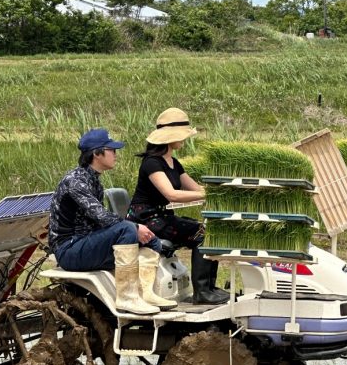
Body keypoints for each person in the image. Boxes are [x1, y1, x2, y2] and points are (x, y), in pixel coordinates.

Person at [48, 128, 174, 315]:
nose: (115, 154)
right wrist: (134, 227)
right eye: (111, 150)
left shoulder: (93, 180)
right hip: (69, 249)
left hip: (85, 242)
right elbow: (100, 216)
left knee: (151, 238)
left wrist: (139, 231)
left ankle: (146, 292)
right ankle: (127, 298)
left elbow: (100, 221)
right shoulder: (75, 181)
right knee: (128, 229)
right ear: (97, 153)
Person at [127, 108, 228, 305]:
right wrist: (205, 194)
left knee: (209, 231)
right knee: (202, 235)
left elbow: (195, 188)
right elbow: (171, 194)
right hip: (146, 218)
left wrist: (218, 192)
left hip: (163, 216)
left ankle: (209, 287)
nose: (185, 140)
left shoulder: (173, 162)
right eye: (181, 136)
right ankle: (202, 292)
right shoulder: (152, 163)